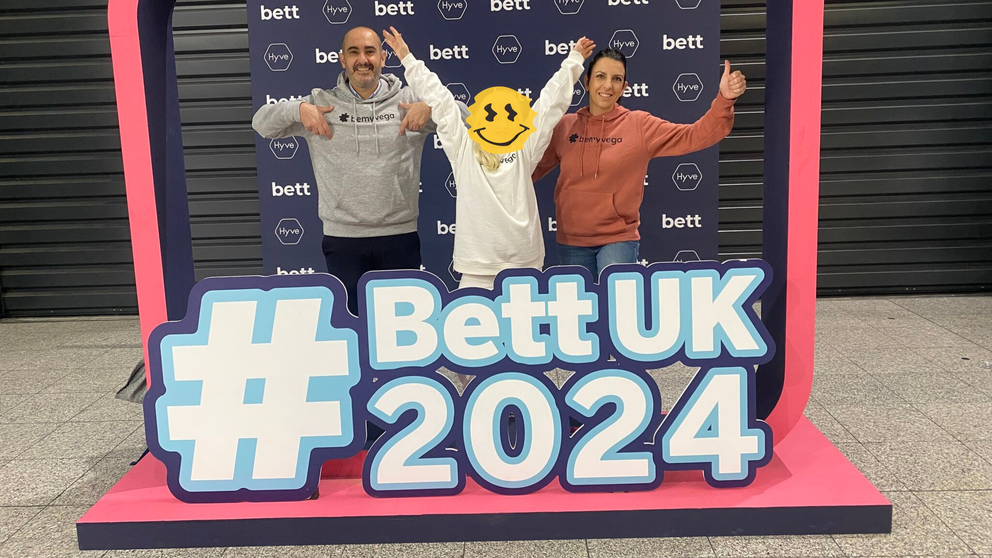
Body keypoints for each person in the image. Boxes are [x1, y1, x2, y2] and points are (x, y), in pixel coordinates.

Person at [252, 26, 467, 315]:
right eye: (354, 52)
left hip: (399, 236)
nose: (362, 59)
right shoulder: (320, 104)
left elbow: (469, 120)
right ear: (342, 59)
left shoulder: (409, 101)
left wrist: (432, 108)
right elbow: (261, 124)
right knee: (355, 328)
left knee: (403, 326)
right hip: (343, 240)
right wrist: (298, 109)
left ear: (382, 58)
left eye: (369, 52)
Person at [382, 27, 595, 290]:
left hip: (523, 264)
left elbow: (551, 103)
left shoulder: (524, 146)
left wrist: (573, 61)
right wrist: (406, 57)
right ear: (478, 119)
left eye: (508, 114)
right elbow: (440, 100)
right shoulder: (463, 146)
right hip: (476, 267)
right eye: (491, 114)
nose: (500, 120)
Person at [533, 49, 748, 280]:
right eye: (600, 76)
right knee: (583, 314)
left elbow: (694, 135)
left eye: (616, 79)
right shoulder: (565, 126)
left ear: (624, 87)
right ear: (586, 82)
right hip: (572, 240)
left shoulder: (639, 125)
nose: (607, 85)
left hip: (617, 239)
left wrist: (724, 100)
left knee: (617, 309)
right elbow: (528, 171)